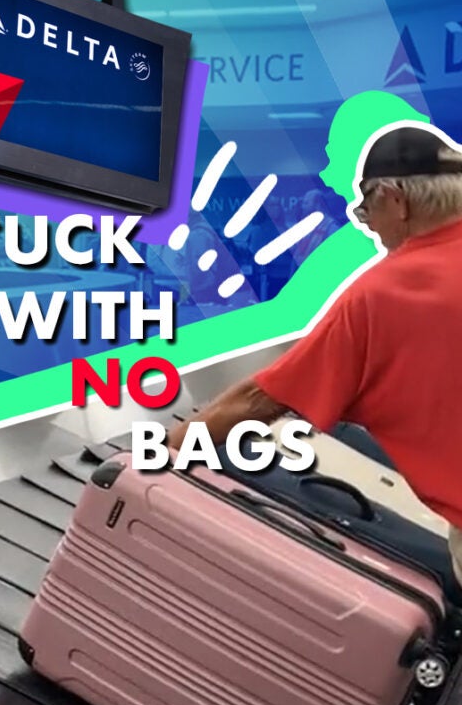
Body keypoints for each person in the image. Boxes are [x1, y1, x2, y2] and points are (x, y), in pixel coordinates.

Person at [168, 122, 462, 584]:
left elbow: (260, 400)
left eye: (366, 208)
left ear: (396, 200)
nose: (369, 225)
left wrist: (166, 449)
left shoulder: (386, 293)